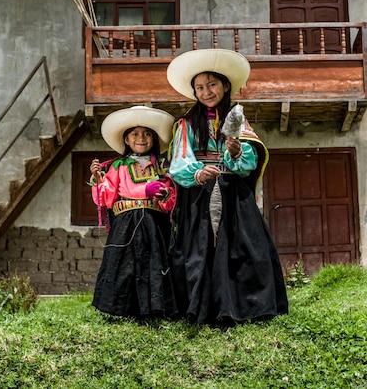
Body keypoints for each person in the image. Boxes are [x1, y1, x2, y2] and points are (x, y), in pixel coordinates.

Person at [166, 48, 288, 325]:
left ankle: (245, 306)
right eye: (199, 87)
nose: (206, 91)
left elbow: (249, 161)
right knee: (199, 250)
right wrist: (198, 174)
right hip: (199, 196)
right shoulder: (185, 124)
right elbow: (178, 162)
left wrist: (235, 153)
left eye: (211, 85)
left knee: (244, 247)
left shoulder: (238, 120)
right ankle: (200, 308)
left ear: (225, 86)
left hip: (233, 194)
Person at [89, 105, 178, 320]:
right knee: (123, 264)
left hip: (154, 223)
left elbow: (172, 197)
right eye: (135, 134)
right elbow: (107, 198)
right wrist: (99, 180)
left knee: (154, 262)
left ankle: (154, 308)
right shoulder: (117, 166)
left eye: (147, 133)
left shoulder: (163, 166)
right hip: (126, 224)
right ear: (126, 140)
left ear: (154, 139)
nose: (141, 138)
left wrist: (164, 193)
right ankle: (120, 309)